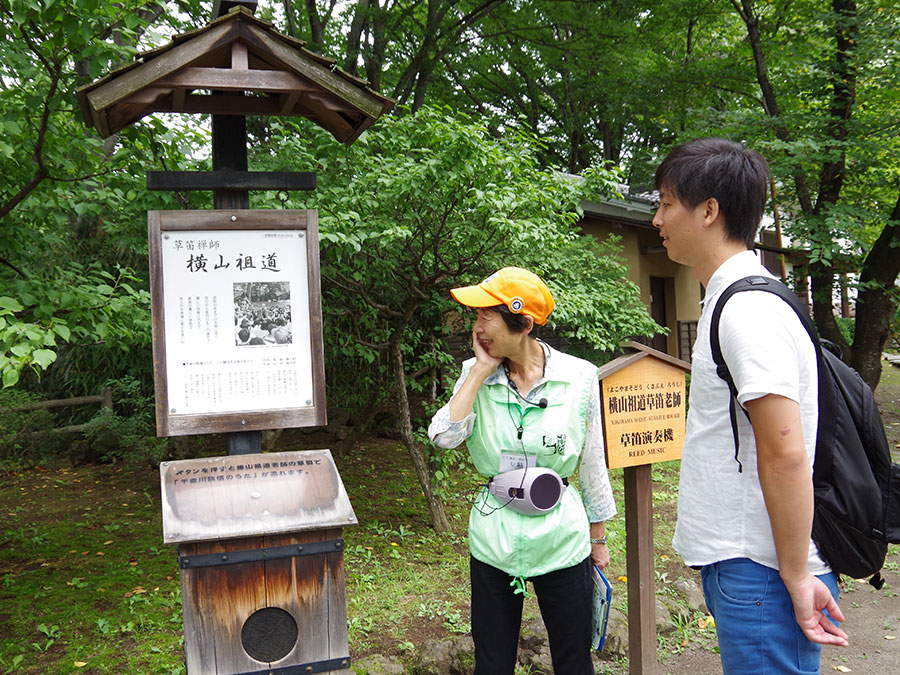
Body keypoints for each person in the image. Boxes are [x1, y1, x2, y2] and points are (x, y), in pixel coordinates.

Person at [652, 138, 848, 673]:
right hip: (753, 563)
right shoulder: (742, 297)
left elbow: (784, 450)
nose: (656, 218)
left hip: (759, 566)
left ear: (709, 210)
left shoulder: (747, 311)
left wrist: (794, 573)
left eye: (667, 203)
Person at [428, 266, 616, 675]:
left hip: (562, 540)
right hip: (495, 540)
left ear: (523, 324)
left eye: (485, 316)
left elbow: (592, 462)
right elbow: (443, 437)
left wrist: (598, 538)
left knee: (573, 661)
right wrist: (478, 371)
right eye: (476, 315)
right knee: (492, 663)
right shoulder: (473, 374)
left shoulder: (580, 376)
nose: (476, 326)